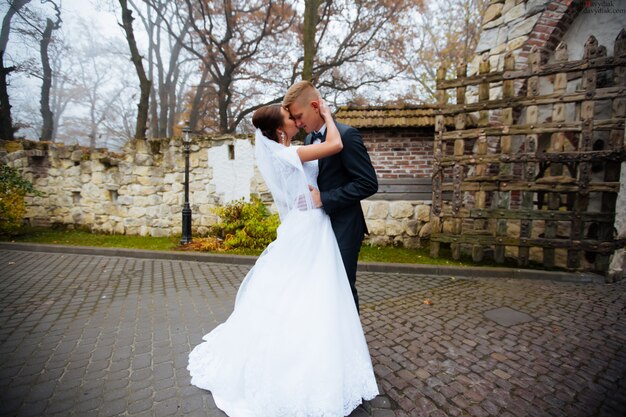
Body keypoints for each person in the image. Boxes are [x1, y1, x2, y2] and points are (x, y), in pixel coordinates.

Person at [187, 101, 378, 416]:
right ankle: (309, 358)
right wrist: (329, 115)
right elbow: (335, 144)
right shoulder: (286, 153)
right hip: (309, 225)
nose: (295, 120)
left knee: (305, 291)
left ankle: (324, 352)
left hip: (309, 224)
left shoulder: (288, 151)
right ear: (280, 130)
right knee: (310, 291)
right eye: (290, 118)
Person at [282, 81, 378, 312]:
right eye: (293, 119)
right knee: (323, 286)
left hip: (345, 225)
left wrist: (323, 198)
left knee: (343, 287)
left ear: (315, 106)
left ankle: (351, 345)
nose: (297, 123)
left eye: (299, 116)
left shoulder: (347, 135)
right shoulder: (307, 141)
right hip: (318, 227)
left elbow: (368, 183)